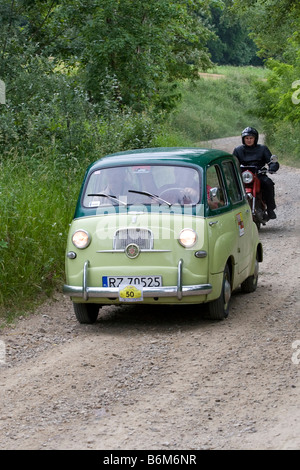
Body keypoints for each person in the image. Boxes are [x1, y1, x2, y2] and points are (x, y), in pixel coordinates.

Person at [233, 127, 279, 220]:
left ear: (255, 138)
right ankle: (232, 211)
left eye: (251, 138)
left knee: (268, 183)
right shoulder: (238, 150)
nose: (249, 140)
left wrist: (272, 167)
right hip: (244, 176)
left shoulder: (262, 149)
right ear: (243, 139)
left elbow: (272, 161)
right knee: (232, 187)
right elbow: (232, 162)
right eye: (246, 138)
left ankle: (270, 209)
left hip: (259, 174)